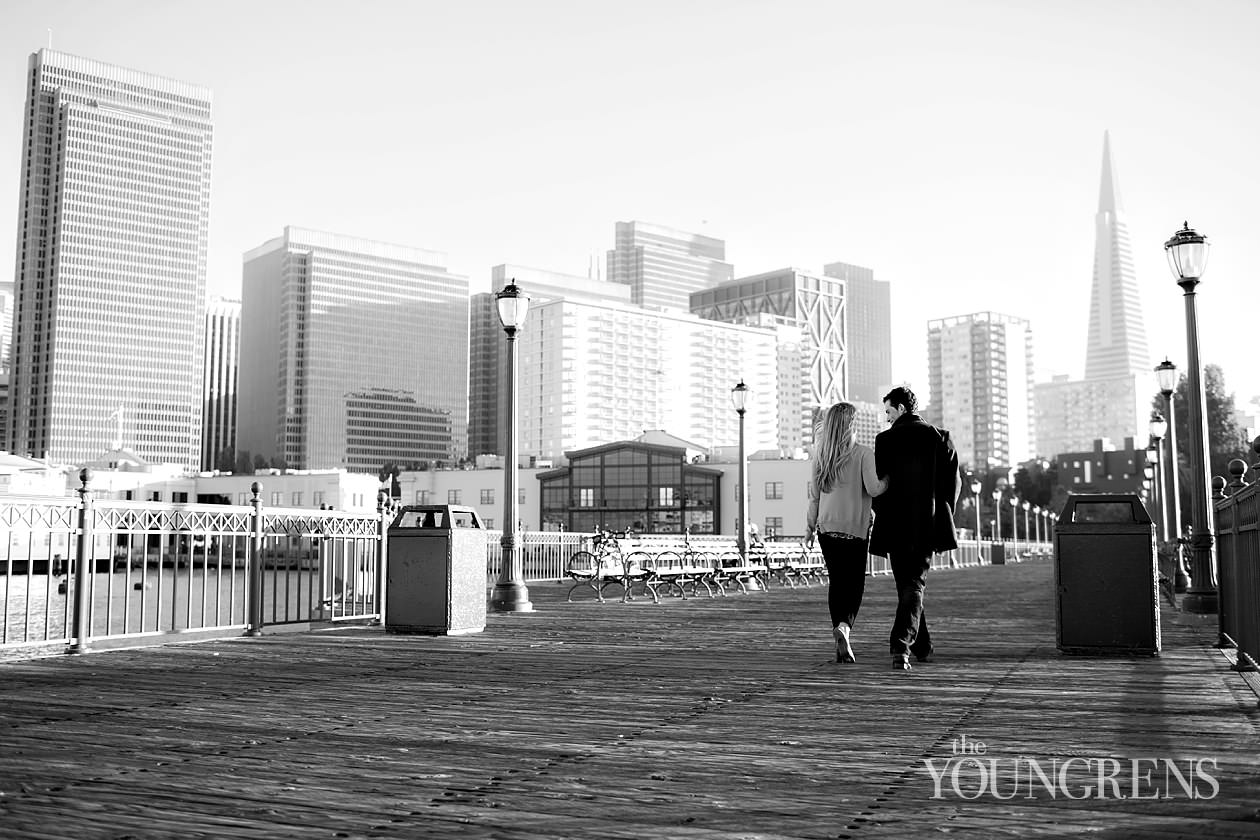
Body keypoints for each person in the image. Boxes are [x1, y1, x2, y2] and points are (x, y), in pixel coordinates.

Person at [869, 386, 961, 671]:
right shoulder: (939, 437)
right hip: (927, 522)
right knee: (914, 584)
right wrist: (944, 514)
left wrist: (880, 513)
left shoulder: (884, 440)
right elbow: (953, 483)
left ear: (899, 408)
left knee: (907, 584)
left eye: (887, 411)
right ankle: (920, 646)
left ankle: (902, 645)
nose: (886, 417)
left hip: (894, 523)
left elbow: (878, 484)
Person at [805, 402, 888, 663]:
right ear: (851, 424)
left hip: (826, 528)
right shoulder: (863, 453)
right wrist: (888, 479)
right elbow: (874, 489)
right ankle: (844, 627)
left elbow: (814, 498)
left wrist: (808, 529)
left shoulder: (820, 454)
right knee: (854, 584)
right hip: (854, 529)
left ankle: (839, 632)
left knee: (837, 582)